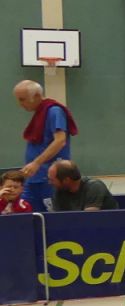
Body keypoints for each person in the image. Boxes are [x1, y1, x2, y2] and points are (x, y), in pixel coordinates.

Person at [14, 80, 75, 209]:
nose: (20, 104)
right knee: (25, 213)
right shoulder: (39, 114)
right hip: (33, 178)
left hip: (50, 179)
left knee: (54, 215)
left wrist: (36, 163)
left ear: (36, 96)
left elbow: (60, 140)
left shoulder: (54, 111)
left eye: (22, 99)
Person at [48, 160, 118, 211]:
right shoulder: (59, 191)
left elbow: (88, 219)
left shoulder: (94, 187)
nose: (49, 183)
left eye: (52, 180)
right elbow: (58, 218)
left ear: (66, 180)